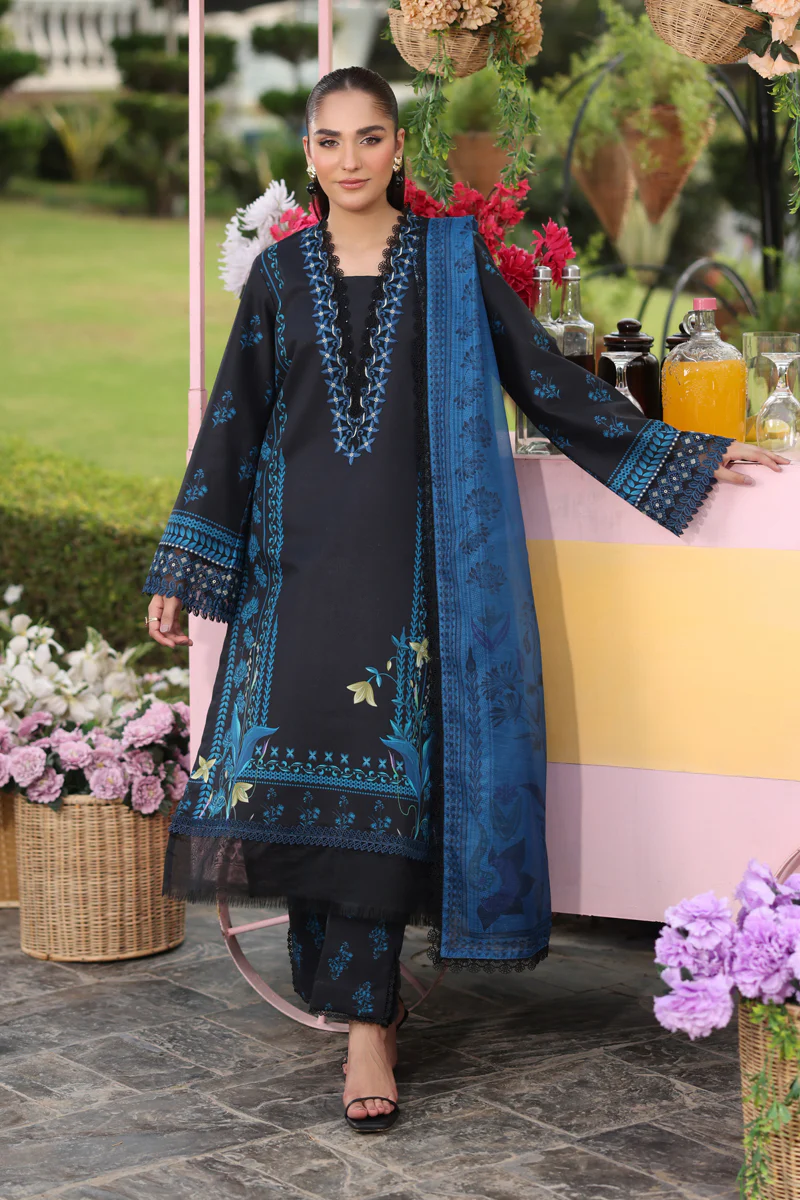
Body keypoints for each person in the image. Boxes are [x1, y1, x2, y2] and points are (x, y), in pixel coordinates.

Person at [142, 66, 785, 1133]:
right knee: (309, 790)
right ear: (309, 156)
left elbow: (544, 377)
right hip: (296, 576)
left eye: (370, 138)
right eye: (330, 141)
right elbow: (232, 425)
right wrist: (184, 567)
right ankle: (355, 1002)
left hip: (414, 576)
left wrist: (685, 450)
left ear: (398, 149)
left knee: (386, 791)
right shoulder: (279, 275)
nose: (350, 159)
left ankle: (367, 1026)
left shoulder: (450, 259)